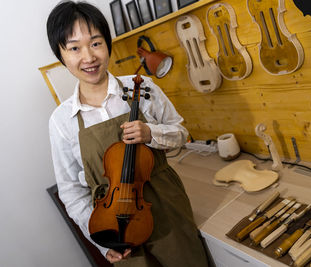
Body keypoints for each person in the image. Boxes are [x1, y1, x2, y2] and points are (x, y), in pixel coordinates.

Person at [46, 1, 209, 266]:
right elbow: (71, 192)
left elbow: (180, 133)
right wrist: (99, 239)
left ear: (107, 45)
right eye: (75, 48)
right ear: (61, 55)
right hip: (115, 228)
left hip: (166, 208)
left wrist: (151, 133)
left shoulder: (143, 87)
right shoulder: (61, 121)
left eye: (96, 43)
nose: (88, 57)